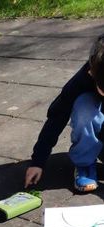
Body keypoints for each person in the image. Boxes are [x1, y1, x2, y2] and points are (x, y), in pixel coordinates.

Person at [25, 34, 104, 193]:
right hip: (96, 132)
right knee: (84, 107)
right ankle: (84, 164)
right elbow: (56, 119)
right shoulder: (79, 82)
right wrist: (37, 162)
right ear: (91, 73)